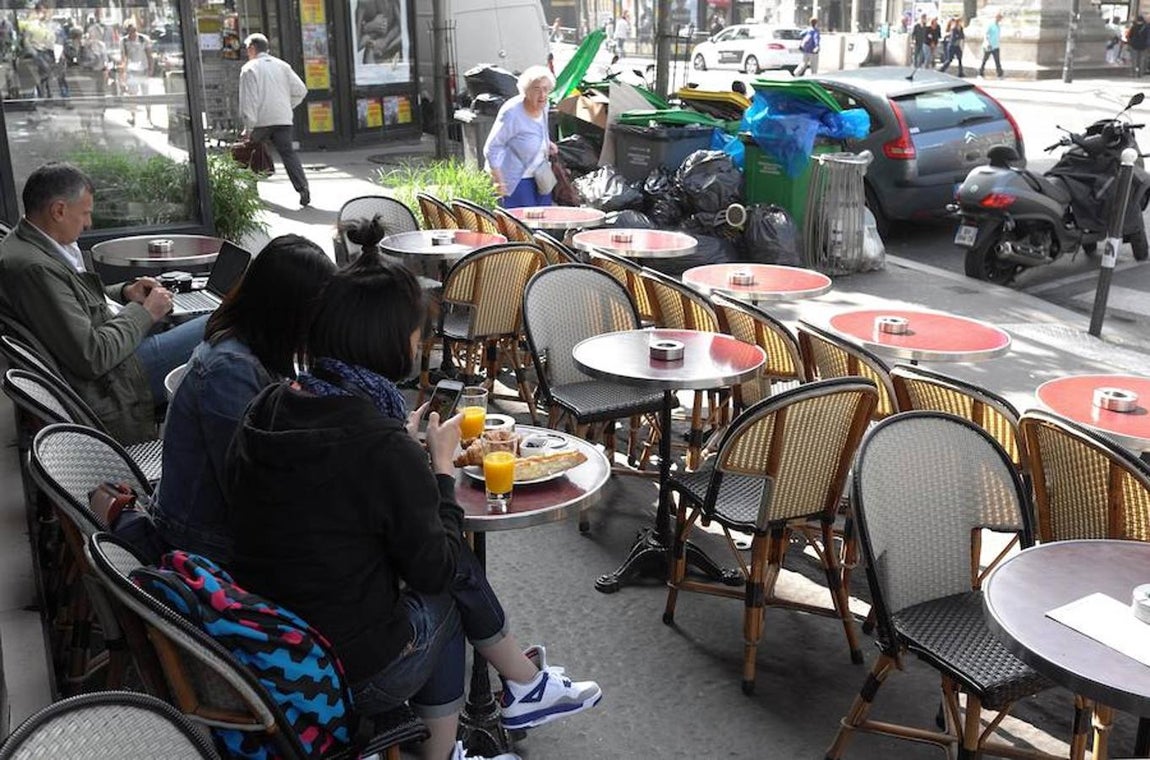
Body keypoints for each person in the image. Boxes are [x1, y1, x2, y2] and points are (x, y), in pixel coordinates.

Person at [225, 250, 603, 760]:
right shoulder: (378, 444)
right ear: (388, 341)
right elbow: (433, 568)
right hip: (342, 672)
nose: (419, 344)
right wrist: (441, 469)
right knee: (445, 591)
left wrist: (399, 449)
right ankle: (460, 741)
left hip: (263, 641)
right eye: (415, 333)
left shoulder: (270, 403)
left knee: (438, 572)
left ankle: (525, 688)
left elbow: (320, 501)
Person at [154, 235, 335, 564]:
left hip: (210, 528)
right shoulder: (231, 370)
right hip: (204, 546)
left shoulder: (251, 349)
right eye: (318, 312)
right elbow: (249, 489)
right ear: (289, 311)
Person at [0, 163, 205, 445]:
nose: (89, 224)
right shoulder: (35, 269)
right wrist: (145, 313)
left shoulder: (31, 246)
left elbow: (70, 302)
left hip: (115, 360)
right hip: (112, 382)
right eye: (85, 213)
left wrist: (124, 293)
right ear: (58, 210)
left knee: (206, 324)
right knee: (217, 323)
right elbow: (92, 356)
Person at [239, 33, 311, 207]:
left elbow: (249, 100)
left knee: (252, 154)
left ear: (251, 48)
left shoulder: (249, 68)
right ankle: (303, 188)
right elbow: (301, 90)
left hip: (260, 121)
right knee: (288, 154)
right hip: (283, 119)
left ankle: (251, 192)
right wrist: (287, 105)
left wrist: (248, 127)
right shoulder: (282, 65)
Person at [483, 65, 557, 209]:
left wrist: (546, 143)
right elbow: (492, 147)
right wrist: (498, 181)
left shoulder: (544, 105)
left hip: (541, 174)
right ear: (526, 91)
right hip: (517, 178)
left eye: (545, 89)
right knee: (523, 224)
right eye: (536, 89)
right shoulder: (512, 112)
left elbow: (539, 128)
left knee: (545, 219)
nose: (542, 95)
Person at [120, 23, 152, 126]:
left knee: (146, 94)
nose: (133, 33)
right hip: (131, 71)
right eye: (130, 31)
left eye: (134, 30)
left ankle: (148, 116)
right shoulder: (124, 41)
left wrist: (151, 68)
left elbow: (149, 54)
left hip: (143, 69)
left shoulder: (143, 39)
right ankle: (133, 117)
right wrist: (123, 73)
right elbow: (123, 58)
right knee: (132, 95)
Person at [979, 12, 1004, 79]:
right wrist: (987, 43)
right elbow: (986, 34)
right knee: (984, 60)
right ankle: (980, 73)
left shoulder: (998, 26)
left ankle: (1000, 74)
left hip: (996, 46)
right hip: (989, 46)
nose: (1000, 19)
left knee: (997, 61)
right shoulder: (990, 25)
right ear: (996, 17)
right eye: (999, 18)